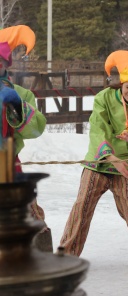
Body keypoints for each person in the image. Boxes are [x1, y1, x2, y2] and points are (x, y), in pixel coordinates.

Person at [60, 50, 128, 263]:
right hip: (100, 162)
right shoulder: (104, 98)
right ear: (121, 84)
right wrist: (110, 157)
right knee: (82, 206)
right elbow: (98, 128)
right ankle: (66, 256)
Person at [0, 25, 52, 252]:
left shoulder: (22, 94)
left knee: (28, 215)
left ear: (5, 66)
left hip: (8, 161)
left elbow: (37, 128)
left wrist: (17, 107)